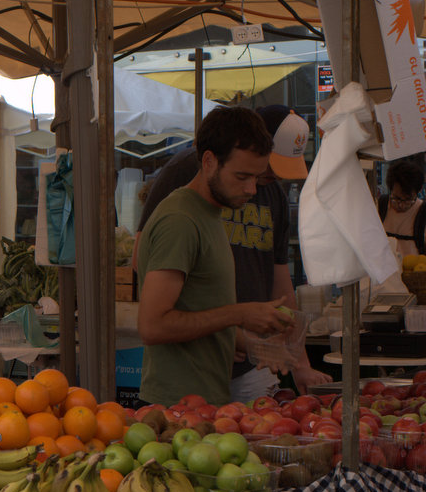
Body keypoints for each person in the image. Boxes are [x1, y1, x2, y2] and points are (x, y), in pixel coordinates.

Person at [136, 104, 330, 399]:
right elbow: (152, 326)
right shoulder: (180, 219)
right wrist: (240, 314)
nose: (252, 189)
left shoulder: (210, 212)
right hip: (177, 407)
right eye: (242, 177)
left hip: (206, 399)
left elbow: (199, 307)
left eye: (257, 177)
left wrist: (251, 345)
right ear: (209, 162)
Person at [379, 156, 426, 258]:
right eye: (396, 198)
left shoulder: (422, 213)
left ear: (418, 192)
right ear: (390, 189)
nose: (401, 205)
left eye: (408, 200)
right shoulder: (381, 206)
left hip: (414, 267)